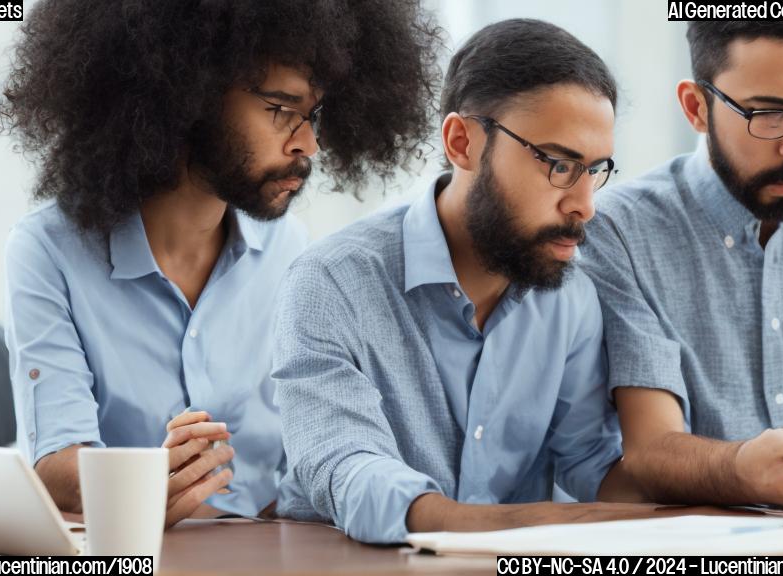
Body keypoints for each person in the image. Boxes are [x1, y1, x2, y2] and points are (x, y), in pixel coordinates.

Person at [0, 0, 442, 528]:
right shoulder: (50, 250)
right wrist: (146, 482)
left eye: (313, 115)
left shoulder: (291, 252)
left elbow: (305, 460)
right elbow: (53, 465)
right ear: (191, 96)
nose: (309, 145)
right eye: (281, 109)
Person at [273, 19, 645, 545]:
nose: (584, 204)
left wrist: (735, 493)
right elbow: (345, 466)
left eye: (595, 170)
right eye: (559, 165)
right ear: (461, 142)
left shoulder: (571, 297)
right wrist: (522, 526)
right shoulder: (331, 282)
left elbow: (588, 460)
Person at [580, 22, 783, 508]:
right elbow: (649, 450)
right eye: (769, 114)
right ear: (696, 108)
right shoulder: (620, 230)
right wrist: (743, 472)